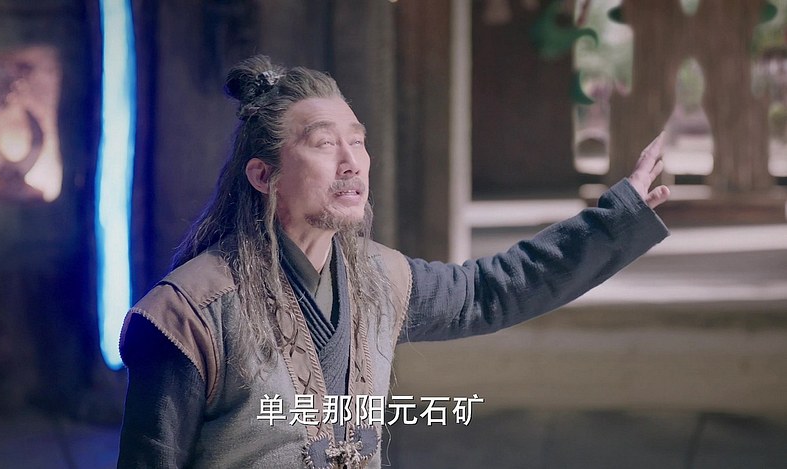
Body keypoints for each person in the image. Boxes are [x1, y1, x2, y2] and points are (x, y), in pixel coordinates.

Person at [117, 55, 670, 469]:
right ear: (264, 175)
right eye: (323, 144)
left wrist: (619, 218)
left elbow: (493, 290)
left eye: (357, 143)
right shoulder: (189, 315)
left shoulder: (381, 279)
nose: (351, 162)